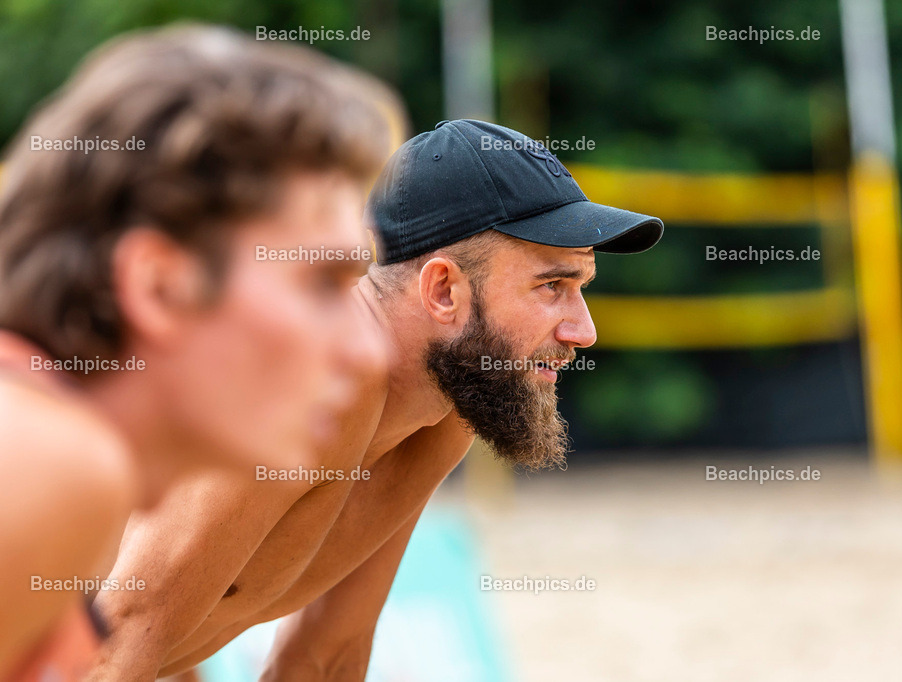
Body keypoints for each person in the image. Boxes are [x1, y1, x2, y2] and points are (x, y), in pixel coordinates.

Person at [89, 119, 663, 681]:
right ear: (443, 290)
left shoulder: (440, 408)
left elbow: (325, 659)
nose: (583, 331)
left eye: (579, 288)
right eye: (551, 286)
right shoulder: (308, 378)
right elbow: (114, 639)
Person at [0, 24, 399, 681]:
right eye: (321, 284)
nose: (366, 351)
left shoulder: (60, 445)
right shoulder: (53, 460)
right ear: (157, 285)